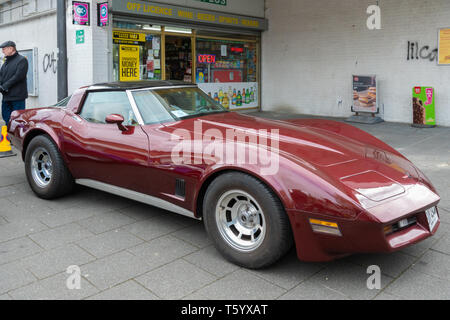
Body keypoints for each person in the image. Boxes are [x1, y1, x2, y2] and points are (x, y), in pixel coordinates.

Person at [0, 41, 28, 126]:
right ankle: (7, 138)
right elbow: (1, 76)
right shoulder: (6, 62)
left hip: (17, 97)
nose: (2, 51)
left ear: (11, 48)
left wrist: (4, 86)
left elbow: (18, 76)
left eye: (4, 49)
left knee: (18, 121)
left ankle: (17, 138)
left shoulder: (22, 60)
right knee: (6, 119)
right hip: (6, 97)